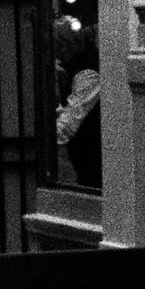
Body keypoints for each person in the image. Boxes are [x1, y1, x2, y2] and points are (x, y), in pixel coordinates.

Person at [54, 15, 102, 189]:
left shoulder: (87, 73)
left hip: (88, 154)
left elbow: (72, 118)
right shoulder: (82, 67)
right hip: (86, 152)